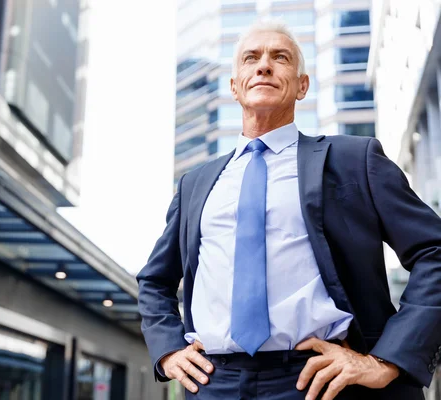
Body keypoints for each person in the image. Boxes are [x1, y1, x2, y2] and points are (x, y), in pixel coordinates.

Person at [137, 19, 441, 399]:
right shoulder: (196, 183)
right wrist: (167, 349)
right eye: (251, 58)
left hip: (319, 381)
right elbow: (154, 280)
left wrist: (387, 360)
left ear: (302, 85)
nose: (263, 65)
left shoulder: (354, 159)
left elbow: (434, 252)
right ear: (235, 86)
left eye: (280, 57)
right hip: (214, 382)